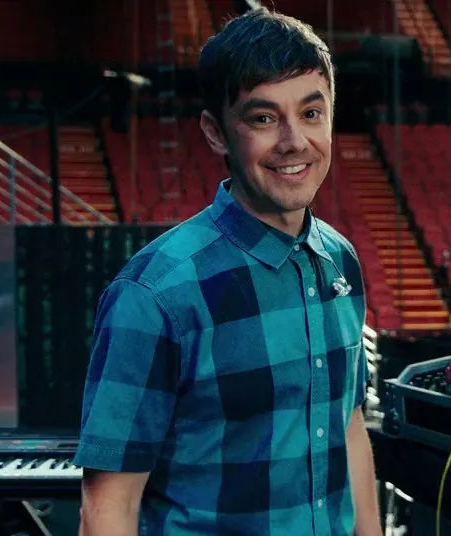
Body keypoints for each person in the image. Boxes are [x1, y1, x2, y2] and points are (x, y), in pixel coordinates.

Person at [74, 9, 381, 536]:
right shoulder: (153, 294)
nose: (294, 141)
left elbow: (348, 426)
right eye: (263, 118)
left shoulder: (341, 260)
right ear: (216, 133)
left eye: (311, 113)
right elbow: (108, 507)